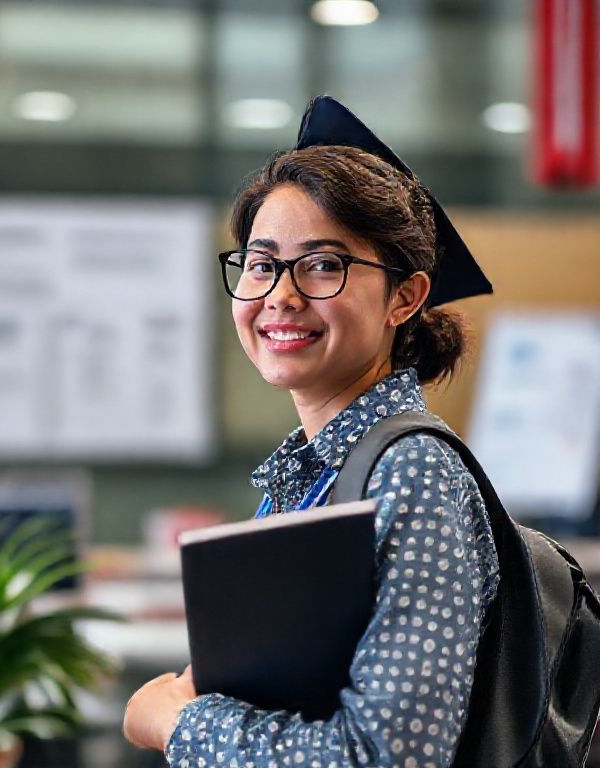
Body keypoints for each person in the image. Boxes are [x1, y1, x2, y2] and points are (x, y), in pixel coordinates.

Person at [123, 96, 500, 768]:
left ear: (406, 297)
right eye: (263, 264)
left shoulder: (410, 471)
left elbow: (388, 759)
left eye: (324, 264)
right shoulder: (309, 472)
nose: (281, 296)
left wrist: (180, 726)